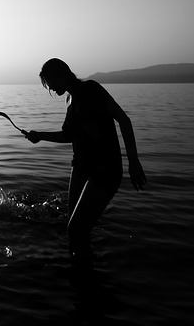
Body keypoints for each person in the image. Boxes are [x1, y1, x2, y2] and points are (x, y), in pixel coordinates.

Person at [25, 58, 147, 267]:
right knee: (75, 228)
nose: (51, 89)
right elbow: (69, 135)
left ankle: (86, 281)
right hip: (81, 166)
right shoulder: (69, 100)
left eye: (51, 83)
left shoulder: (92, 90)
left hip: (105, 169)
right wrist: (40, 136)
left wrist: (133, 162)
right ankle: (81, 268)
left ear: (62, 75)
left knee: (76, 229)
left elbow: (123, 120)